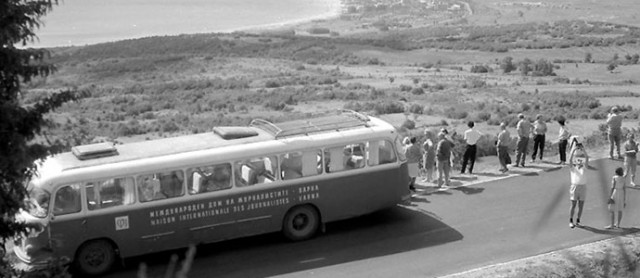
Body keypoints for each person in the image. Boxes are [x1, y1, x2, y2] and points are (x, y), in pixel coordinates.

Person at [568, 138, 589, 229]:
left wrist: (583, 149)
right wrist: (573, 149)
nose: (579, 161)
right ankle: (571, 220)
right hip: (575, 186)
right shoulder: (572, 168)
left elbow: (587, 158)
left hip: (583, 186)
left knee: (581, 205)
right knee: (573, 205)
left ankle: (578, 220)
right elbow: (569, 160)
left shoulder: (584, 167)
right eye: (577, 160)